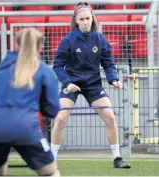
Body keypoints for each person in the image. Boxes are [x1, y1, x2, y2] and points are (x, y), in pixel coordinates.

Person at [51, 2, 131, 169]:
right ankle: (51, 159)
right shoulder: (68, 41)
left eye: (88, 18)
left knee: (110, 117)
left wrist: (113, 79)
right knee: (59, 119)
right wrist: (67, 83)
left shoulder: (100, 39)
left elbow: (108, 63)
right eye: (82, 19)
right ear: (76, 20)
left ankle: (117, 158)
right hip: (72, 84)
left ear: (92, 19)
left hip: (93, 84)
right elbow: (58, 65)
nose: (86, 22)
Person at [0, 28, 61, 176]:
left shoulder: (0, 70)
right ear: (40, 47)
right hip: (25, 128)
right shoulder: (45, 71)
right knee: (51, 173)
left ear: (16, 45)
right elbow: (52, 109)